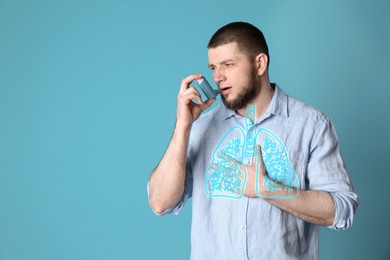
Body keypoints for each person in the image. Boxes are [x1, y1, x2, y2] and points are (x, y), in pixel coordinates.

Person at [147, 21, 359, 259]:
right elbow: (160, 203)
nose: (218, 76)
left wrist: (267, 189)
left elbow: (341, 210)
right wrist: (183, 126)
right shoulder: (201, 127)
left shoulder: (311, 125)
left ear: (259, 64)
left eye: (228, 64)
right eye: (213, 67)